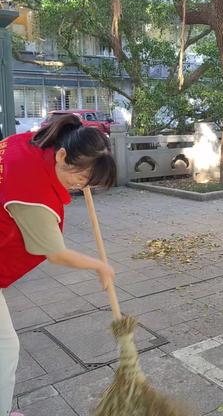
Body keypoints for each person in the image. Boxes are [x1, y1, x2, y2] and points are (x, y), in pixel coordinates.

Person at [0, 114, 116, 416]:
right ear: (63, 155)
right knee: (4, 348)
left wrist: (82, 174)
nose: (80, 187)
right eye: (79, 177)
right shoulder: (32, 193)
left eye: (87, 182)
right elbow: (55, 253)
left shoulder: (33, 143)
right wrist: (101, 267)